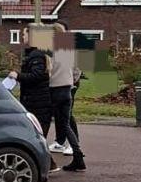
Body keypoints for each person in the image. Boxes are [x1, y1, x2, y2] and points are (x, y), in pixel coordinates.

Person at [47, 23, 86, 172]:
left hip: (54, 89)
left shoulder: (49, 51)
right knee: (66, 123)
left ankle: (45, 158)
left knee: (42, 122)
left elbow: (47, 71)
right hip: (67, 90)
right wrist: (72, 81)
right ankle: (78, 155)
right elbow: (77, 70)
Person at [11, 25, 53, 138]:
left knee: (36, 135)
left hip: (37, 101)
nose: (22, 36)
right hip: (37, 100)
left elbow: (36, 76)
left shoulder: (37, 55)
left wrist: (18, 76)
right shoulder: (38, 53)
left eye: (24, 34)